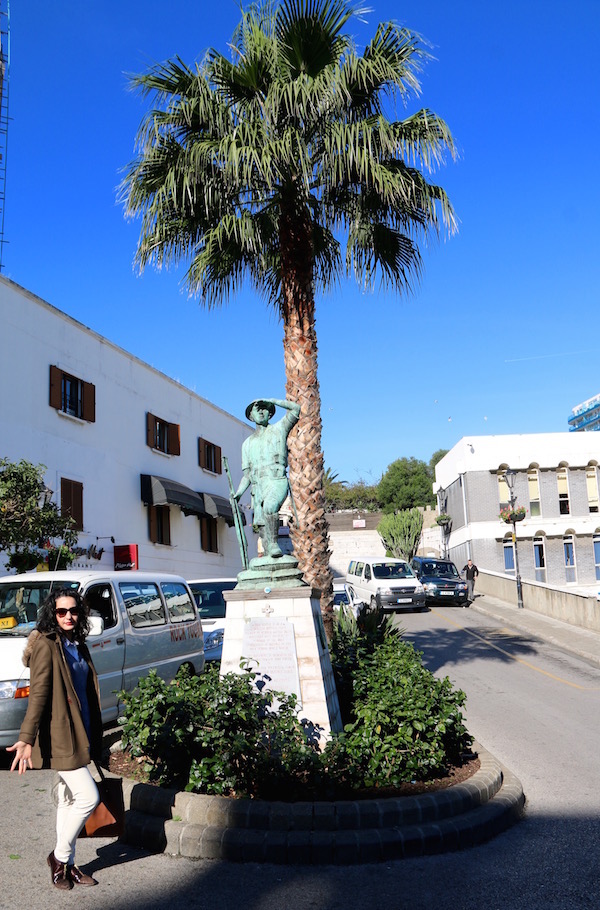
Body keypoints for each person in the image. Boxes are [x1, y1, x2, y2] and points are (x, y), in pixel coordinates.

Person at [6, 588, 102, 890]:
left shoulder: (77, 644)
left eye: (73, 611)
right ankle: (59, 857)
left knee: (68, 799)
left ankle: (67, 867)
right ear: (53, 613)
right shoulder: (47, 646)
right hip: (61, 734)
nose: (68, 616)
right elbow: (38, 696)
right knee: (88, 797)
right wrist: (26, 738)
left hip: (81, 730)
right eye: (62, 612)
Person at [234, 397, 300, 559]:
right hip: (258, 487)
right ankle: (268, 553)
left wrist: (271, 401)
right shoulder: (247, 444)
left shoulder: (279, 429)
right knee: (262, 526)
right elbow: (247, 475)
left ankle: (274, 544)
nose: (262, 412)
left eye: (265, 408)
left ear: (270, 413)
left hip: (276, 480)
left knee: (270, 507)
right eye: (258, 409)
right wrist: (238, 493)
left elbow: (295, 409)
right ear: (251, 416)